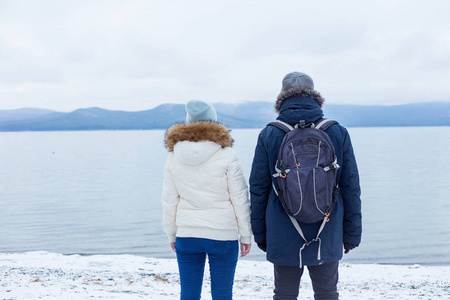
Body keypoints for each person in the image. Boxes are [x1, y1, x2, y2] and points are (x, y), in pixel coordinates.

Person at [250, 72, 362, 300]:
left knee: (284, 293)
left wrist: (261, 234)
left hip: (282, 228)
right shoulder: (336, 131)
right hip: (327, 228)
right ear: (315, 96)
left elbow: (258, 189)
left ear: (281, 98)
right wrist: (352, 232)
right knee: (327, 293)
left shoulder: (270, 133)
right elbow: (351, 186)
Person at [161, 99, 252, 300]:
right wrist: (246, 235)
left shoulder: (174, 156)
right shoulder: (227, 154)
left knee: (189, 293)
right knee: (221, 293)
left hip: (187, 233)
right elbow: (240, 198)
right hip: (222, 234)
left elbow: (169, 200)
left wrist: (171, 233)